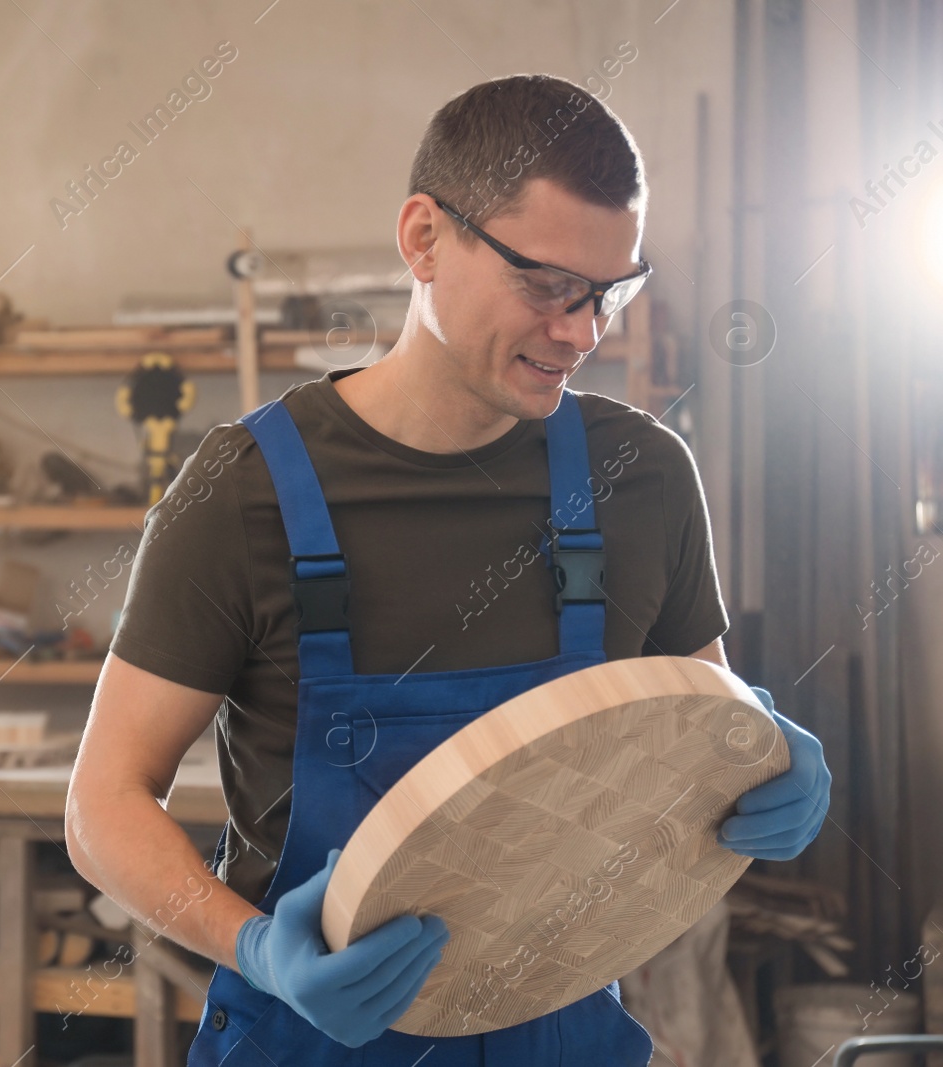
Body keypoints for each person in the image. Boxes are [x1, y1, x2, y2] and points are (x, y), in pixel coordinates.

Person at [65, 73, 831, 1066]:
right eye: (547, 284)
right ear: (424, 237)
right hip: (312, 1035)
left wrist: (761, 752)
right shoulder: (242, 490)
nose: (582, 330)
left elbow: (689, 719)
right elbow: (103, 804)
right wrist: (255, 947)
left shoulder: (638, 477)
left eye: (610, 290)